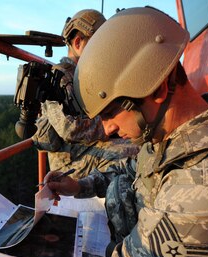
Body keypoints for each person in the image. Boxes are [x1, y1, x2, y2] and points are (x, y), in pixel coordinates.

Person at [19, 7, 208, 257]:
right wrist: (81, 185)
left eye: (110, 113)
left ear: (157, 89)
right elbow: (132, 169)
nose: (108, 129)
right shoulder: (172, 136)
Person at [32, 9, 139, 179]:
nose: (103, 53)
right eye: (98, 46)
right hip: (70, 160)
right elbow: (69, 129)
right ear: (77, 43)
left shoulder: (86, 74)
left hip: (91, 147)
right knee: (137, 152)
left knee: (144, 142)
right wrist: (111, 123)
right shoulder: (59, 76)